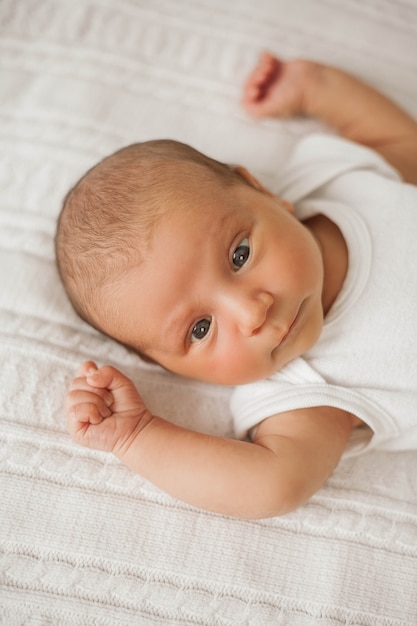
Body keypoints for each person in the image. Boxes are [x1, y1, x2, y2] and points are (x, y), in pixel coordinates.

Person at [56, 52, 417, 519]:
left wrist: (316, 88)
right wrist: (138, 435)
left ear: (264, 193)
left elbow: (397, 141)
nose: (252, 313)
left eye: (239, 255)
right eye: (201, 329)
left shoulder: (336, 184)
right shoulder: (307, 392)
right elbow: (272, 484)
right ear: (173, 371)